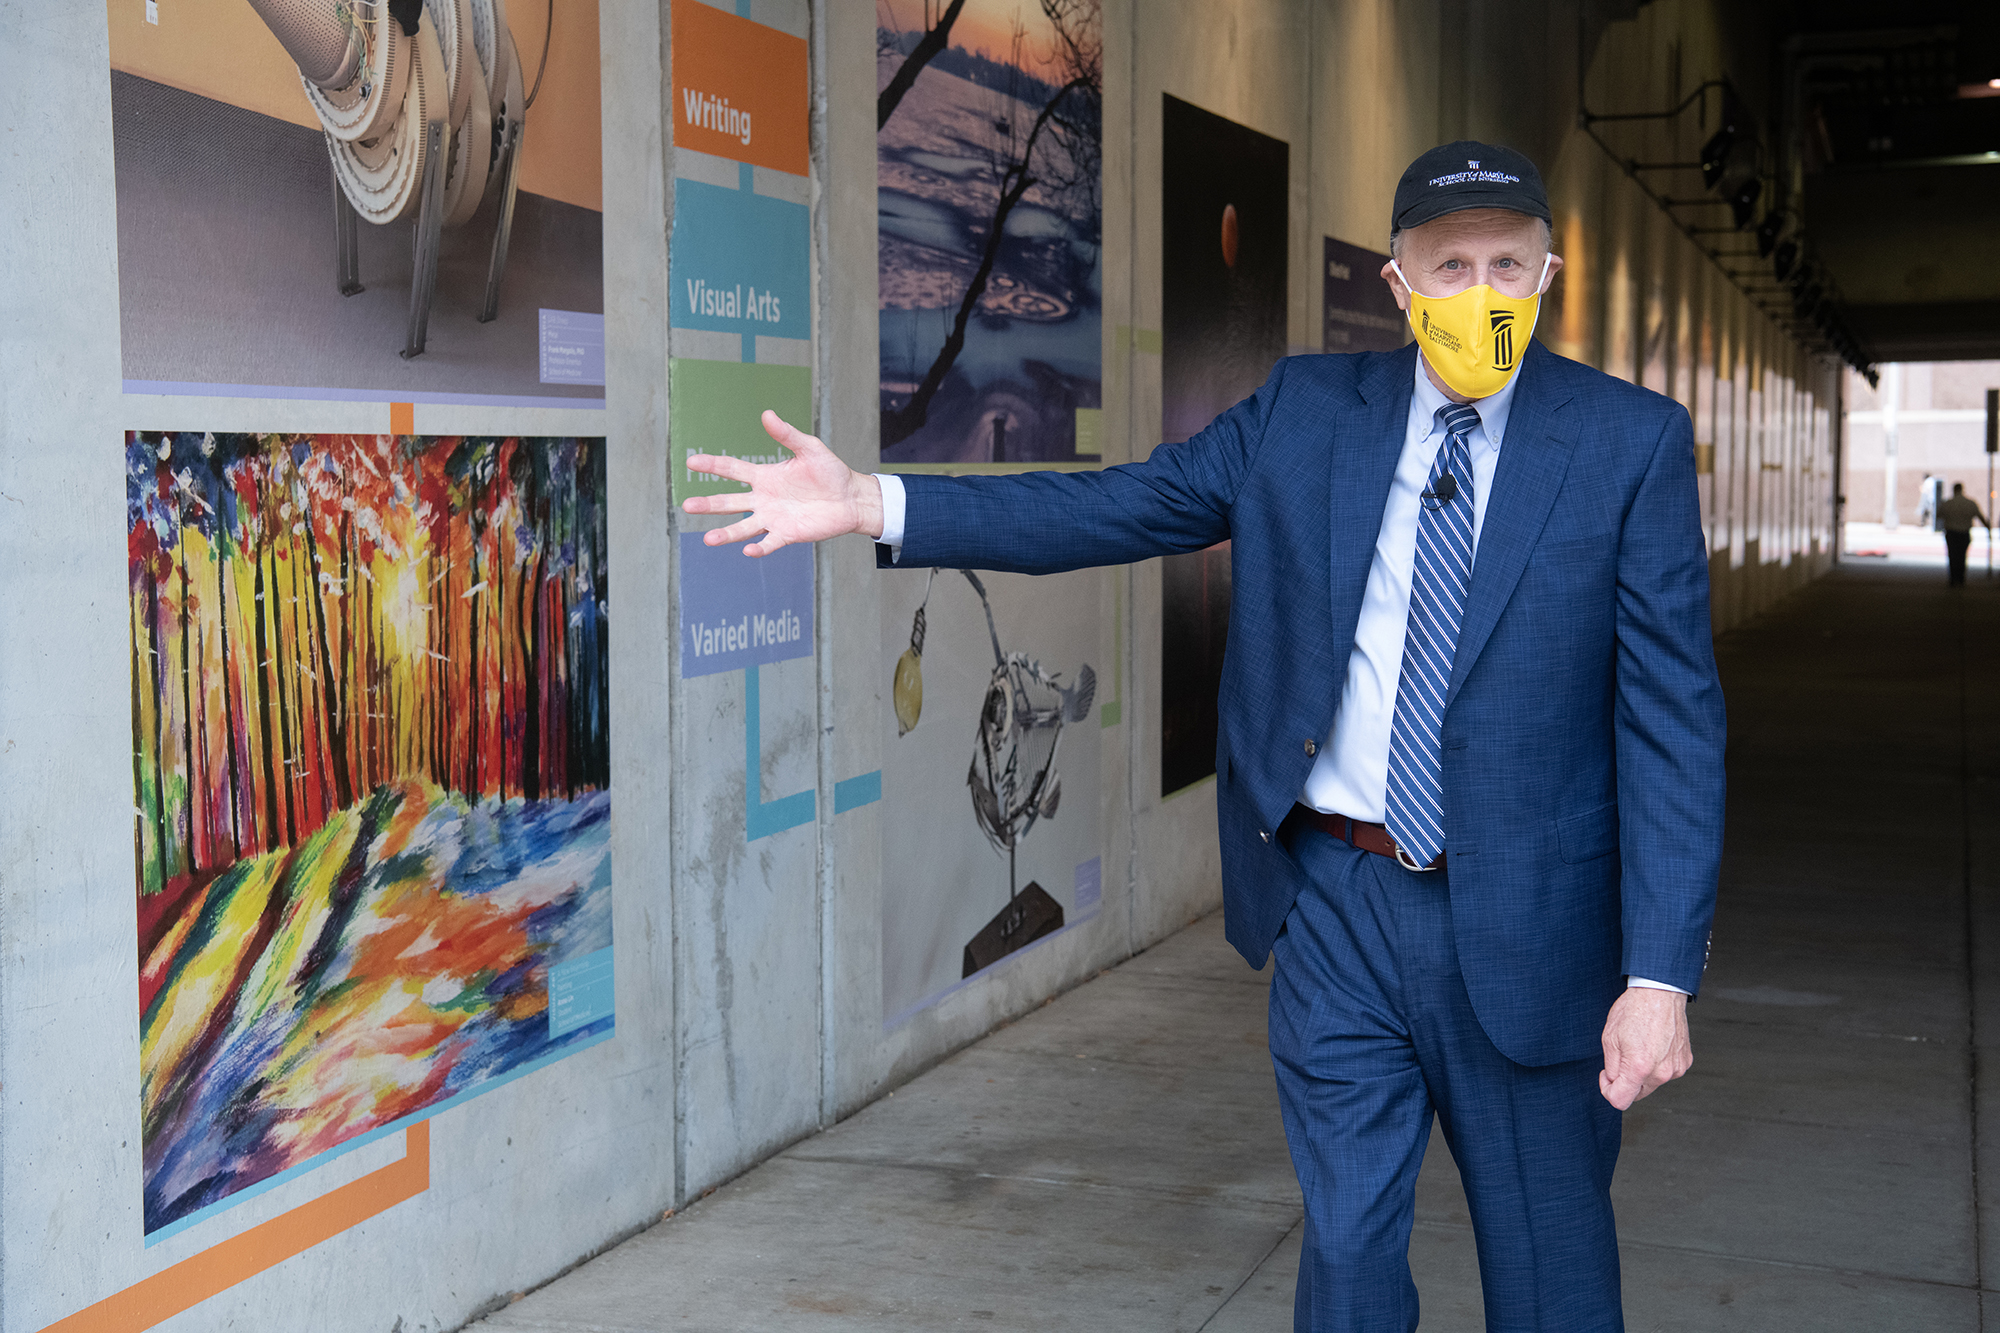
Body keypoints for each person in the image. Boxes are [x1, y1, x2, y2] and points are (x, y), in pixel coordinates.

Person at [683, 141, 1723, 1332]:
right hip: (1337, 904)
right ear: (1397, 285)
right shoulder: (1305, 412)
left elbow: (1670, 724)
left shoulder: (1626, 443)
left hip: (1533, 921)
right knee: (1345, 1253)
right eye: (1449, 267)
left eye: (1505, 264)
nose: (1478, 291)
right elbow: (1119, 503)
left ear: (1547, 275)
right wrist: (877, 503)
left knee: (1548, 1275)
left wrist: (1657, 975)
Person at [1937, 482, 1991, 587]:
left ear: (1953, 490)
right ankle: (1961, 578)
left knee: (1952, 556)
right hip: (1964, 533)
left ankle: (1953, 578)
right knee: (1962, 556)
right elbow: (1980, 517)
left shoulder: (1948, 503)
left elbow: (1939, 515)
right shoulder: (1970, 503)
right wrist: (1988, 527)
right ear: (1962, 490)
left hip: (1951, 533)